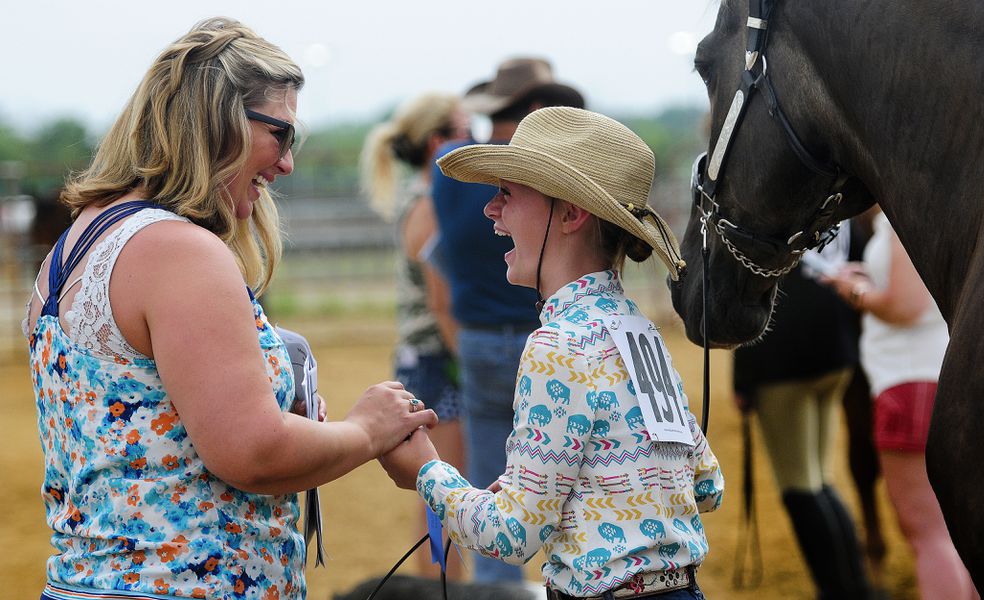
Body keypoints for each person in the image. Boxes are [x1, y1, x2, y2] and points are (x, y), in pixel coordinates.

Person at [22, 18, 436, 600]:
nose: (287, 162)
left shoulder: (79, 242)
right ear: (218, 122)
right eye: (282, 135)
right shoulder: (180, 251)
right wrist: (368, 429)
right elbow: (253, 453)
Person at [380, 107, 724, 600]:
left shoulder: (555, 345)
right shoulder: (639, 332)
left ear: (570, 213)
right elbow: (707, 484)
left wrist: (427, 472)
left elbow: (513, 536)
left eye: (507, 194)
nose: (490, 210)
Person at [428, 58, 585, 583]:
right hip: (539, 336)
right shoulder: (533, 177)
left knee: (489, 485)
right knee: (569, 482)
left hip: (474, 338)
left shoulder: (450, 168)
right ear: (534, 110)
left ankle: (497, 589)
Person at [824, 209, 977, 599]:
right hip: (934, 375)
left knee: (928, 535)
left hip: (908, 381)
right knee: (959, 535)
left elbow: (906, 306)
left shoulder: (901, 219)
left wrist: (854, 292)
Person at [359, 92, 469, 579]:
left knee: (441, 494)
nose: (476, 140)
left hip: (424, 358)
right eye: (467, 131)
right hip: (437, 358)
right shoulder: (428, 202)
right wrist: (469, 362)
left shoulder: (421, 198)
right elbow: (442, 302)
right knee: (447, 492)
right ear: (438, 142)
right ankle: (444, 587)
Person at [732, 250, 874, 598]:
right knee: (820, 481)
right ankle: (856, 584)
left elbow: (748, 290)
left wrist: (742, 378)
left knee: (800, 490)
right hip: (835, 353)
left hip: (783, 363)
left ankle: (839, 591)